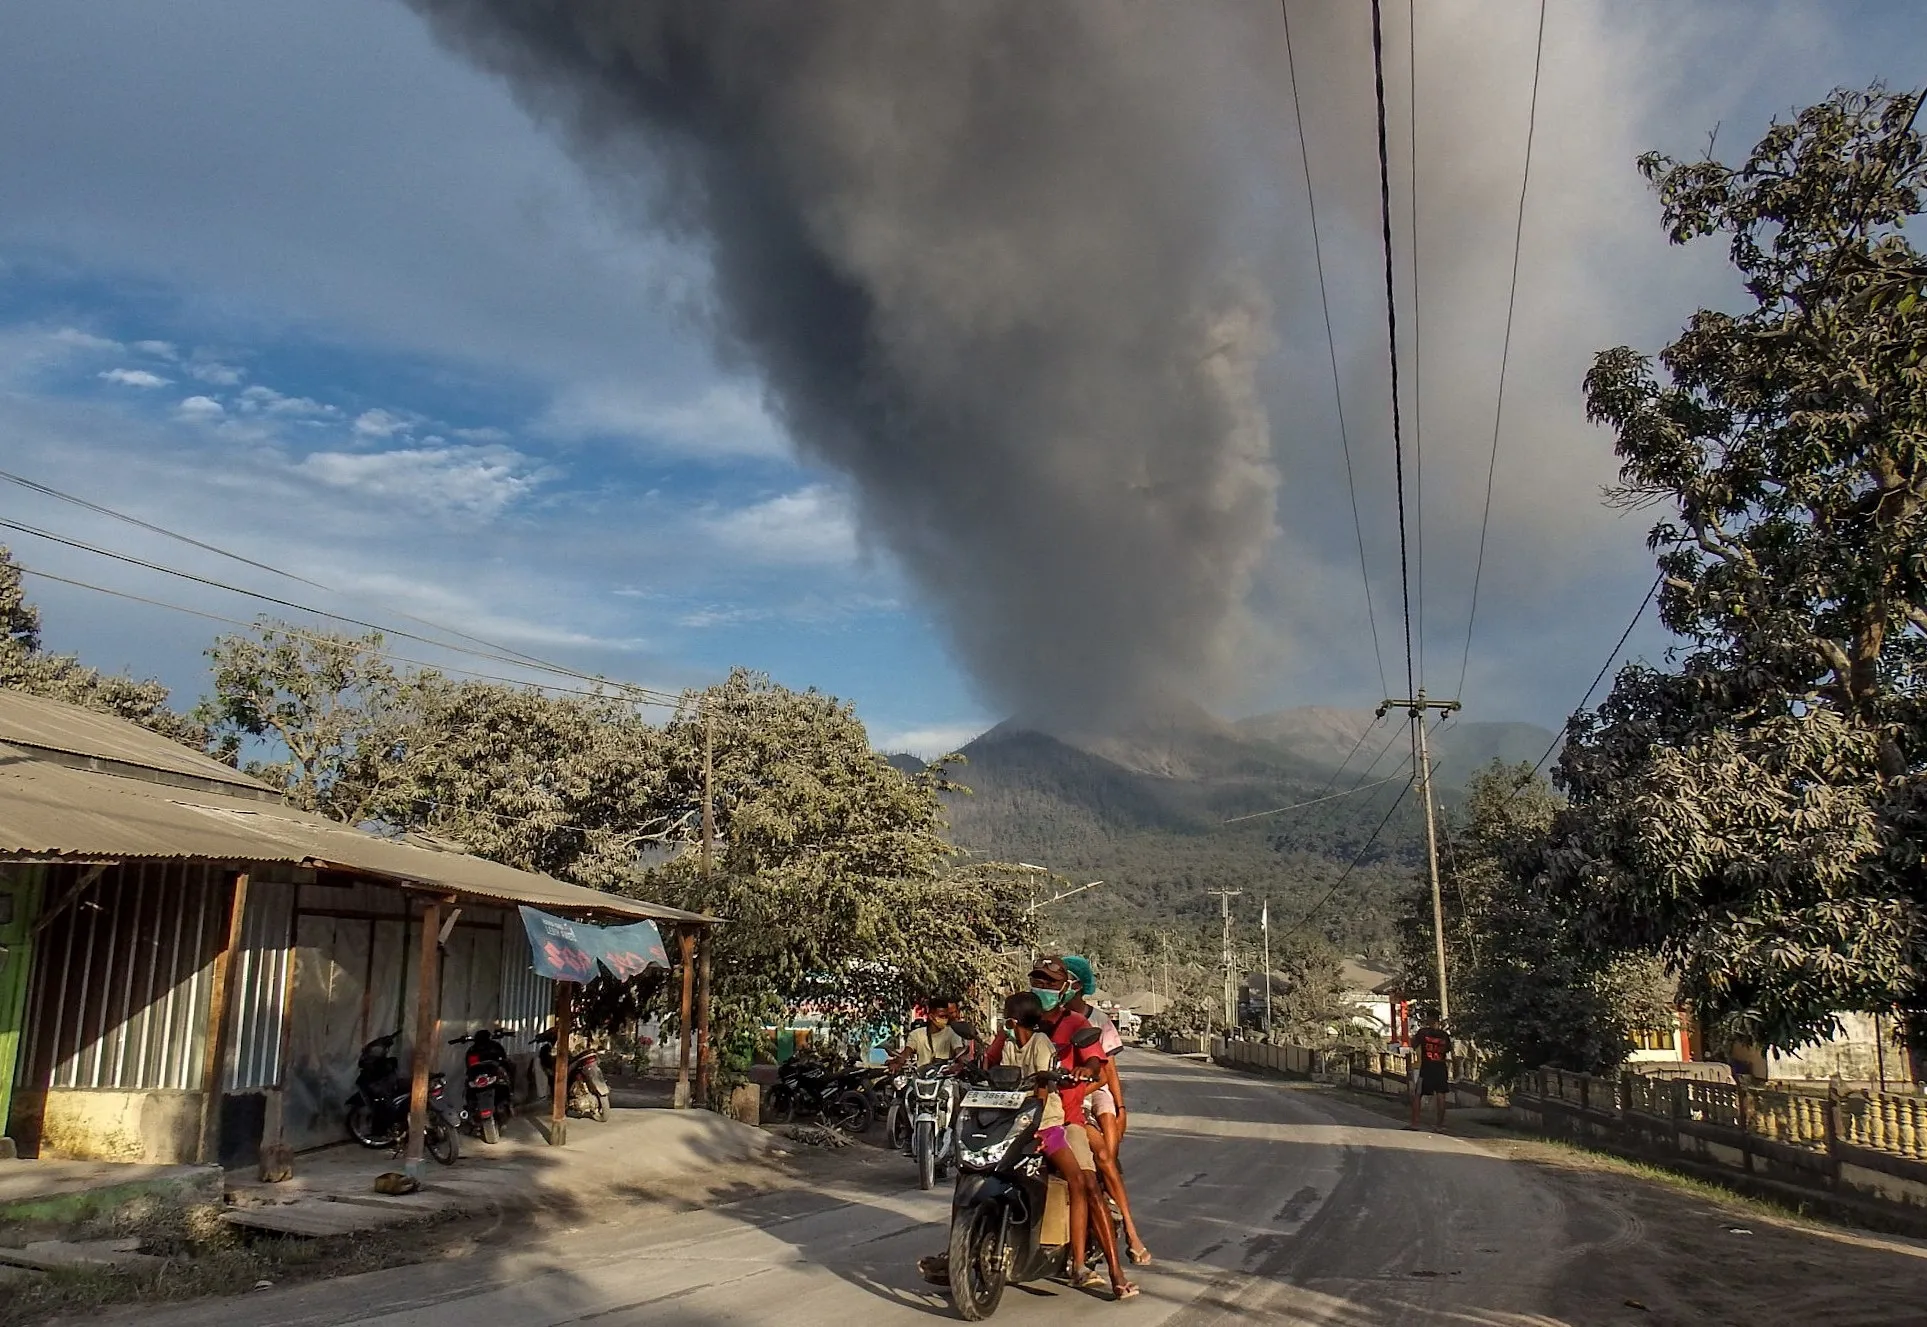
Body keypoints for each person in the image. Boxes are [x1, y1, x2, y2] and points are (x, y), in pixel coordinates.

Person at [1030, 958, 1137, 1301]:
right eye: (1037, 981)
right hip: (1019, 1118)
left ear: (1064, 989)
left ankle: (1113, 1272)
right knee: (974, 1168)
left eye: (1049, 983)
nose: (1042, 987)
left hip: (1066, 1119)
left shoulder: (1077, 1023)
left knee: (1089, 1183)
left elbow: (1097, 1063)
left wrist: (1086, 1071)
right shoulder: (1018, 1022)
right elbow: (990, 1059)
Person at [1060, 954, 1150, 1268]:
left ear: (1079, 986)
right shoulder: (1046, 1019)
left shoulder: (1097, 1020)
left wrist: (1119, 1104)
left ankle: (1129, 1227)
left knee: (1104, 1156)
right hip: (1062, 1092)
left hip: (1093, 1090)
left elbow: (1107, 1070)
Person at [1409, 1014, 1453, 1130]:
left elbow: (1414, 1045)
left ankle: (1415, 1123)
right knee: (1441, 1095)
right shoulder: (1444, 1036)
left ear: (1429, 1020)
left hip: (1426, 1068)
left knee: (1418, 1094)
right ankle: (1439, 1125)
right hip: (1440, 1068)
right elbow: (1448, 1049)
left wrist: (1413, 1038)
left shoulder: (1423, 1033)